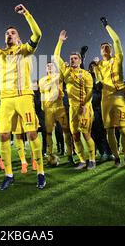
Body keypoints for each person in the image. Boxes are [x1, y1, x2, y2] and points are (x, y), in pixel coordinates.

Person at [0, 4, 46, 190]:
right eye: (7, 33)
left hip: (24, 97)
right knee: (4, 136)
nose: (9, 35)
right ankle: (9, 175)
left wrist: (26, 14)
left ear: (19, 38)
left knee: (31, 133)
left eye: (13, 33)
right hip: (6, 100)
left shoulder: (25, 50)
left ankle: (40, 173)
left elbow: (38, 34)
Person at [93, 17, 125, 167]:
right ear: (100, 51)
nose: (105, 48)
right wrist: (98, 82)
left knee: (124, 129)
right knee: (109, 130)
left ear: (111, 49)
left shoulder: (117, 58)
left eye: (107, 46)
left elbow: (116, 40)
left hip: (119, 98)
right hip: (106, 99)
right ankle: (116, 157)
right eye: (103, 47)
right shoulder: (98, 65)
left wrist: (106, 26)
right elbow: (98, 80)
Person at [54, 30, 96, 170]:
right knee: (75, 135)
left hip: (84, 107)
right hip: (72, 108)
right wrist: (60, 41)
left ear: (80, 60)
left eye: (75, 58)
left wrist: (85, 104)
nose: (72, 60)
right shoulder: (66, 71)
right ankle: (82, 160)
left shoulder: (86, 74)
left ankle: (92, 159)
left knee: (85, 133)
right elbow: (55, 56)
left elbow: (90, 91)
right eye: (71, 58)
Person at [39, 62, 72, 165]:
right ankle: (50, 155)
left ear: (55, 67)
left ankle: (70, 155)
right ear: (45, 68)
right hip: (49, 109)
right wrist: (43, 108)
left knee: (66, 131)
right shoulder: (42, 80)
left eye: (51, 65)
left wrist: (66, 66)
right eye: (47, 66)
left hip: (59, 107)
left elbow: (68, 74)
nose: (49, 67)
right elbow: (42, 94)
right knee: (48, 133)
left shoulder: (59, 76)